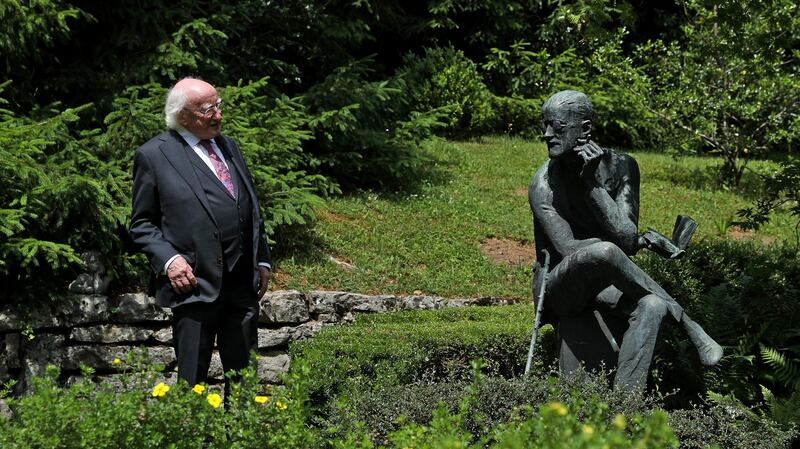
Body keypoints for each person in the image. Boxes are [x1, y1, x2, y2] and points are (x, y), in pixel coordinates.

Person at [528, 90, 722, 390]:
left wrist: (591, 185)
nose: (546, 134)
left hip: (606, 283)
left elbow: (626, 239)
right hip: (560, 286)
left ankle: (625, 412)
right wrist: (616, 247)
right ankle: (688, 325)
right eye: (544, 125)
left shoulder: (623, 167)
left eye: (557, 127)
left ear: (586, 130)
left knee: (653, 306)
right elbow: (568, 249)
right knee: (604, 251)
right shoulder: (543, 184)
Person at [130, 77, 271, 388]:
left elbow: (250, 207)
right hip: (193, 284)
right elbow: (142, 223)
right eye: (209, 110)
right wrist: (169, 261)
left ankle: (242, 437)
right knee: (191, 382)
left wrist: (262, 259)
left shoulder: (229, 146)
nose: (219, 115)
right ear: (183, 117)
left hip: (241, 285)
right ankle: (191, 437)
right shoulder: (154, 155)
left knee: (244, 382)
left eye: (219, 105)